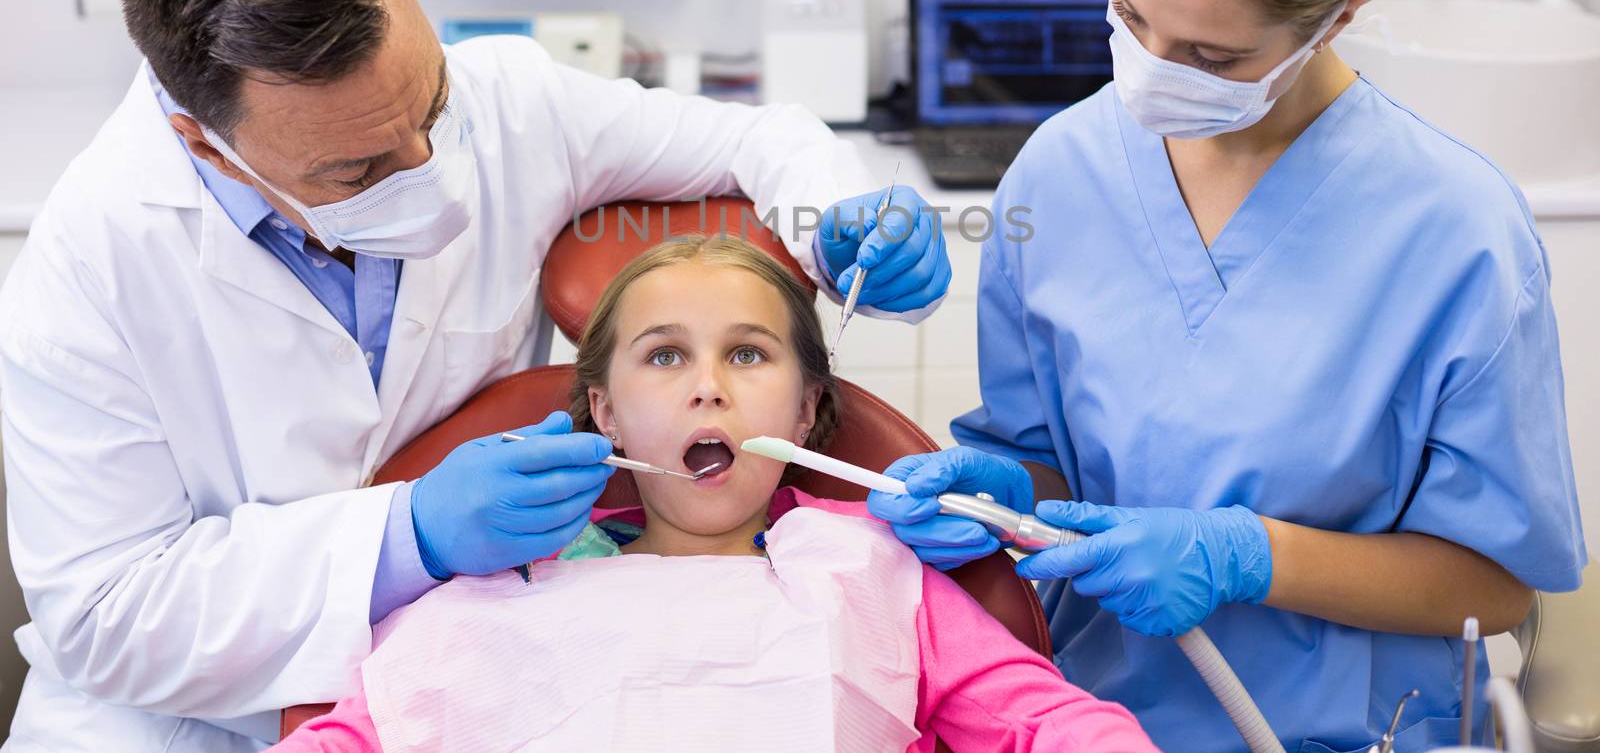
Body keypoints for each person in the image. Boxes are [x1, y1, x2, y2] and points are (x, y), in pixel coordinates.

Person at [0, 0, 951, 752]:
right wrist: (406, 537)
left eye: (431, 106)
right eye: (357, 169)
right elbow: (103, 615)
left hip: (470, 682)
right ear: (204, 145)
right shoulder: (90, 263)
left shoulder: (510, 103)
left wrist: (838, 222)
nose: (431, 174)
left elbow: (757, 135)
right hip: (188, 720)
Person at [868, 0, 1587, 753]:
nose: (1152, 70)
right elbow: (1044, 460)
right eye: (1126, 15)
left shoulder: (1456, 229)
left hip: (1343, 731)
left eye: (1211, 55)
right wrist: (993, 494)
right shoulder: (1061, 169)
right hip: (1087, 719)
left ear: (1336, 19)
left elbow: (1494, 583)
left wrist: (1250, 557)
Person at [268, 236, 1160, 753]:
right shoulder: (500, 578)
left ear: (806, 409)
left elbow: (1045, 723)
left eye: (747, 353)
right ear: (604, 414)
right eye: (665, 355)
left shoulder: (872, 566)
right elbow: (353, 736)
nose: (708, 387)